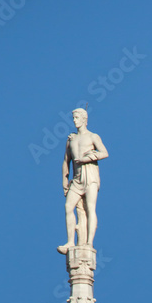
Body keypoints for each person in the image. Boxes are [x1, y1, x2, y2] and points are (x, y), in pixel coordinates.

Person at [57, 108, 108, 254]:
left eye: (77, 117)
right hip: (77, 179)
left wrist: (88, 158)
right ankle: (70, 242)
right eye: (73, 118)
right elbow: (66, 161)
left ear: (84, 119)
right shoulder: (71, 139)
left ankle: (89, 243)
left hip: (90, 176)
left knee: (90, 208)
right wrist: (64, 180)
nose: (74, 120)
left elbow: (105, 153)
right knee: (68, 207)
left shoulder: (93, 136)